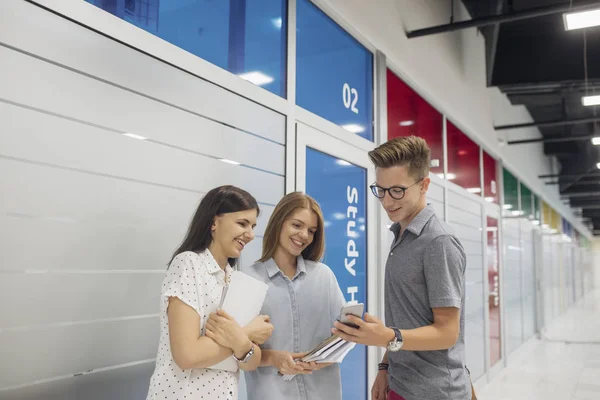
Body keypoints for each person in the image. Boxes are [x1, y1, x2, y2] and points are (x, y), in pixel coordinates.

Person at [331, 136, 471, 400]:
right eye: (380, 190)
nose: (386, 201)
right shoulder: (400, 236)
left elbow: (448, 332)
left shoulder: (438, 242)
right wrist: (385, 367)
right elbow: (408, 320)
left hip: (435, 392)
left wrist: (387, 336)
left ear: (424, 185)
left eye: (397, 190)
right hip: (401, 383)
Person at [146, 185, 274, 400]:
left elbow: (251, 362)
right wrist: (246, 335)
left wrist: (239, 341)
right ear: (214, 222)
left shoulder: (236, 279)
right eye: (242, 223)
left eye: (252, 226)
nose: (251, 234)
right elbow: (187, 355)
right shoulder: (188, 264)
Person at [242, 192, 347, 400]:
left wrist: (326, 356)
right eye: (297, 225)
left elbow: (345, 335)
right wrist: (275, 358)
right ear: (279, 222)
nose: (304, 236)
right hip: (271, 393)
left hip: (324, 393)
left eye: (311, 230)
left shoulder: (324, 276)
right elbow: (240, 353)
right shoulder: (248, 280)